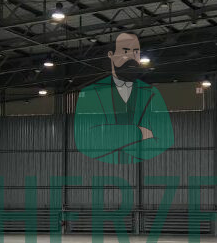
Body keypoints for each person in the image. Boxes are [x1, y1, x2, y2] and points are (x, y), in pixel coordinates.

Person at [74, 32, 174, 164]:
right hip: (101, 167)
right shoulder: (90, 94)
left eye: (136, 53)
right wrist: (139, 132)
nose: (132, 58)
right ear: (111, 55)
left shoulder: (152, 93)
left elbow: (165, 139)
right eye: (126, 52)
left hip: (140, 167)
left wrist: (110, 139)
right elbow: (84, 140)